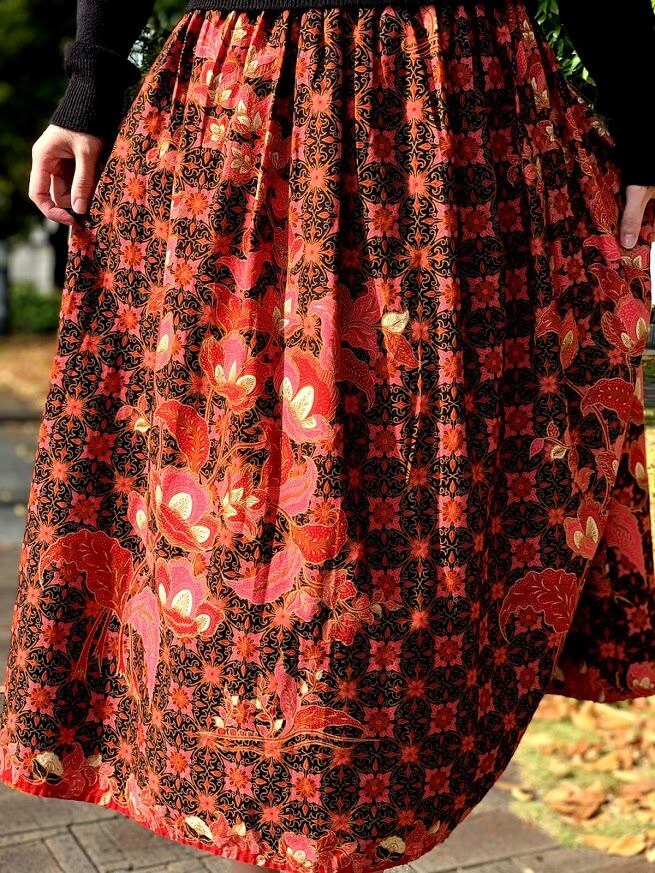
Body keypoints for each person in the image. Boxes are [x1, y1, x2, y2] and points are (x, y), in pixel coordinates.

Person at [0, 0, 654, 871]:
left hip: (448, 128)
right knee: (235, 522)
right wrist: (89, 81)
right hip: (255, 111)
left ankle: (353, 823)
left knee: (414, 534)